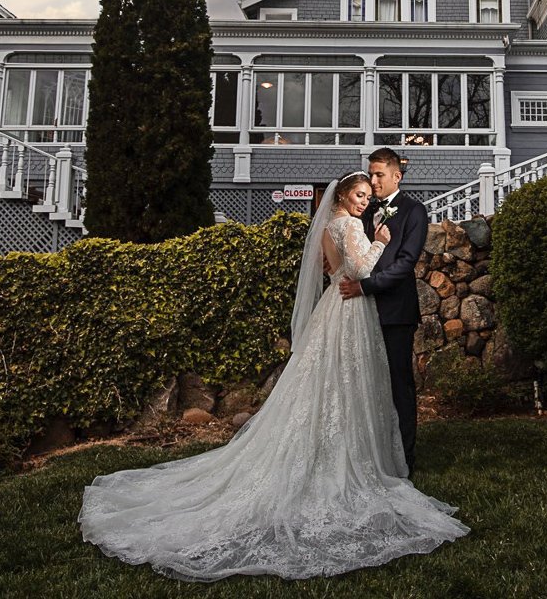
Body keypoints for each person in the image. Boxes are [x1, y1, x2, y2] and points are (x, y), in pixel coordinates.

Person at [78, 171, 468, 582]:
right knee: (347, 383)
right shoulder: (351, 224)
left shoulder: (328, 226)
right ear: (343, 195)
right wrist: (380, 243)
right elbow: (359, 266)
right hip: (350, 311)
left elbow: (333, 269)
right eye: (359, 194)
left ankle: (330, 448)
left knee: (329, 383)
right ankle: (344, 458)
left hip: (333, 307)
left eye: (368, 196)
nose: (364, 202)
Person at [336, 148, 426, 475]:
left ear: (396, 176)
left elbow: (404, 264)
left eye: (379, 175)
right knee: (363, 387)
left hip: (395, 312)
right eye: (370, 174)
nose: (373, 181)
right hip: (360, 314)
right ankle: (370, 457)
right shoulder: (363, 210)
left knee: (398, 386)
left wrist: (365, 287)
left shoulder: (414, 212)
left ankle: (404, 462)